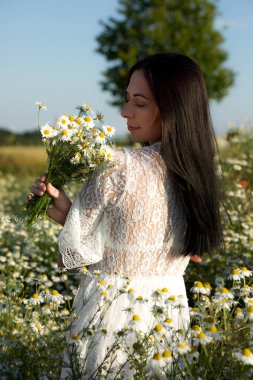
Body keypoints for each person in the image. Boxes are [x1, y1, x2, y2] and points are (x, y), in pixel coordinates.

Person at [28, 52, 222, 378]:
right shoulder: (198, 174)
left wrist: (68, 219)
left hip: (112, 319)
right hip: (169, 319)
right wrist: (70, 215)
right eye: (127, 99)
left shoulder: (119, 165)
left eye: (140, 102)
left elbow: (76, 254)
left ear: (171, 107)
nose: (124, 111)